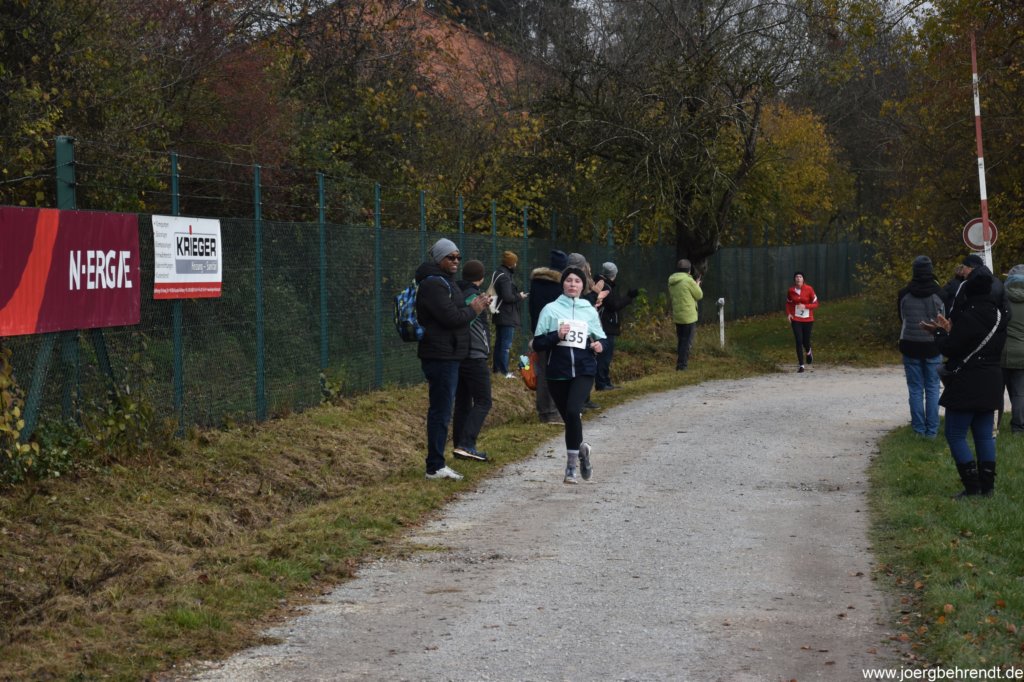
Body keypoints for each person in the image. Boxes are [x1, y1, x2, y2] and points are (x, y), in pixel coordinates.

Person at [922, 263, 1006, 498]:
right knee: (984, 435)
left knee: (956, 434)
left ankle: (972, 487)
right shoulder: (1000, 316)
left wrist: (939, 332)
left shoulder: (968, 316)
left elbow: (951, 348)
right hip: (992, 379)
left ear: (968, 288)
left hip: (968, 380)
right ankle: (987, 488)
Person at [415, 238, 491, 481]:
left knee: (449, 408)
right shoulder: (433, 284)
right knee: (440, 411)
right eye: (450, 257)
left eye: (458, 257)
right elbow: (451, 318)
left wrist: (472, 308)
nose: (456, 261)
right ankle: (435, 466)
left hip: (451, 354)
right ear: (439, 259)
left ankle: (448, 456)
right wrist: (474, 309)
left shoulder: (447, 282)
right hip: (440, 355)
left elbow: (457, 314)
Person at [531, 266, 606, 484]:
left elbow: (601, 338)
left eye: (577, 281)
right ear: (562, 284)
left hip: (584, 369)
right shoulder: (550, 310)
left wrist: (600, 345)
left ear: (583, 286)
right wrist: (556, 335)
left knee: (573, 411)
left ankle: (571, 468)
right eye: (569, 280)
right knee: (571, 421)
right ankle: (582, 451)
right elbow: (538, 343)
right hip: (558, 372)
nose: (573, 284)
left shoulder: (589, 310)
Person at [897, 256, 945, 438]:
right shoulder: (939, 294)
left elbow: (902, 318)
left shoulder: (904, 293)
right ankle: (932, 431)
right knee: (933, 388)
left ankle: (918, 430)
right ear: (930, 270)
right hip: (933, 345)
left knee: (915, 388)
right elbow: (944, 320)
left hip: (910, 345)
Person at [452, 259, 493, 462]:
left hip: (459, 355)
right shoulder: (473, 297)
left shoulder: (457, 292)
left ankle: (460, 446)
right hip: (474, 354)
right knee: (484, 401)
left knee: (463, 402)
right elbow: (467, 318)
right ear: (481, 277)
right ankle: (467, 443)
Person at [528, 249, 569, 424]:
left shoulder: (536, 283)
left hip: (539, 332)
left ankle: (545, 411)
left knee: (543, 372)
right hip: (556, 334)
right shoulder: (559, 287)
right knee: (554, 373)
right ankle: (552, 412)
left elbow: (531, 309)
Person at [594, 261, 638, 391]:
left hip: (605, 324)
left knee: (605, 356)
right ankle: (602, 383)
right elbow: (614, 305)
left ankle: (605, 381)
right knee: (605, 356)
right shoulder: (606, 287)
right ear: (614, 274)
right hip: (606, 325)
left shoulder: (601, 283)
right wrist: (629, 297)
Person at [491, 250, 528, 378]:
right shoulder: (505, 277)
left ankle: (497, 370)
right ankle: (504, 372)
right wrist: (519, 296)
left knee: (499, 343)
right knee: (505, 345)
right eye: (515, 262)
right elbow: (507, 297)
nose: (516, 265)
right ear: (511, 263)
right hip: (507, 315)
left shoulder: (497, 273)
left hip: (499, 313)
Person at [668, 258, 703, 371]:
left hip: (678, 315)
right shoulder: (688, 281)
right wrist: (697, 284)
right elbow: (699, 295)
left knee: (681, 341)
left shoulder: (672, 280)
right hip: (688, 316)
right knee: (687, 342)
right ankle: (682, 366)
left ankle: (680, 363)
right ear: (689, 270)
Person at [1001, 264, 1024, 434]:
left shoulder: (1000, 298)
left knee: (995, 392)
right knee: (1020, 393)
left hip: (1000, 351)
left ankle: (993, 425)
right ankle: (1018, 427)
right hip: (1022, 353)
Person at [785, 271, 818, 373]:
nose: (798, 278)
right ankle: (801, 365)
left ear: (803, 279)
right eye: (796, 277)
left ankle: (808, 352)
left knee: (805, 341)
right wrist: (789, 313)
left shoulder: (809, 289)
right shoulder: (791, 290)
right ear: (794, 279)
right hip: (796, 319)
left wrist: (805, 306)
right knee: (798, 340)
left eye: (800, 277)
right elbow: (788, 303)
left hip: (808, 319)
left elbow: (816, 304)